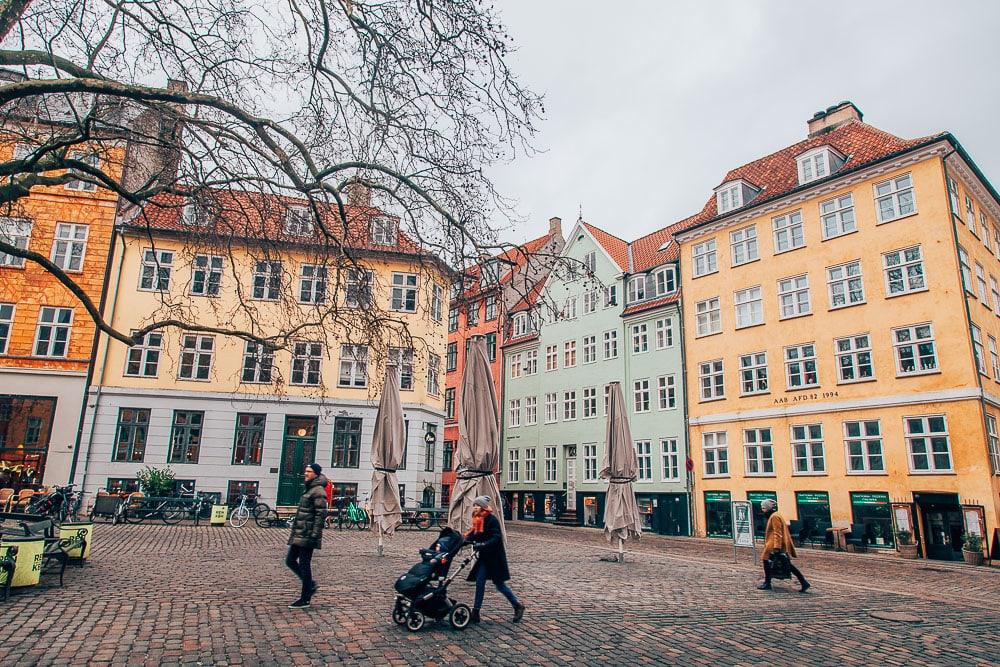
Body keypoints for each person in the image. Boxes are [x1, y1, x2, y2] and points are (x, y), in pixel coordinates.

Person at [465, 495, 525, 623]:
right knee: (480, 582)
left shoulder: (492, 520)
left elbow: (496, 537)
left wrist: (483, 544)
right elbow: (474, 534)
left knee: (499, 585)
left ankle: (517, 605)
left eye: (477, 505)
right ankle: (475, 612)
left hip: (495, 558)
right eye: (474, 505)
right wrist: (464, 540)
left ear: (483, 507)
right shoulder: (478, 520)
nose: (475, 507)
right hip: (485, 558)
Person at [286, 462, 328, 609]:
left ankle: (305, 597)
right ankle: (309, 586)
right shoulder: (310, 489)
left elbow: (321, 514)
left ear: (316, 474)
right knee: (290, 561)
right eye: (306, 471)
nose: (306, 473)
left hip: (308, 534)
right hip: (300, 532)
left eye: (309, 471)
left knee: (304, 564)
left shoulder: (318, 491)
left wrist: (314, 534)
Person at [758, 498, 810, 593]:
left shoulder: (774, 517)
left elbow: (777, 532)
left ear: (768, 508)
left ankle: (767, 583)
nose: (762, 510)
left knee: (768, 562)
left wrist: (776, 547)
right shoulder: (775, 515)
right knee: (787, 565)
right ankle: (803, 582)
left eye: (764, 508)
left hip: (774, 545)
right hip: (773, 544)